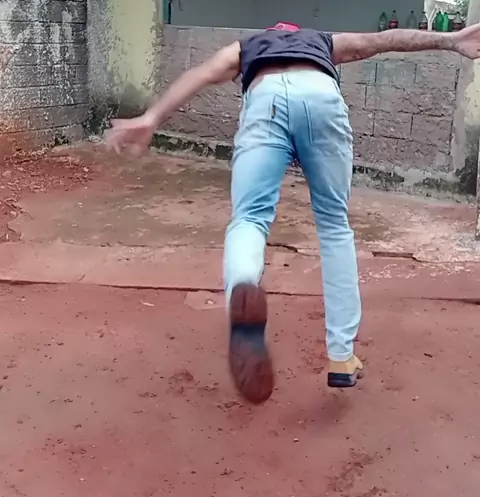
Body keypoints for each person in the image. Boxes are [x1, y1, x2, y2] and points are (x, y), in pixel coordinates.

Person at [104, 22, 480, 404]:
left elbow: (198, 74)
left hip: (264, 99)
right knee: (334, 225)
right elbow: (384, 41)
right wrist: (450, 40)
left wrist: (152, 117)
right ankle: (341, 355)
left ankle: (243, 284)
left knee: (249, 217)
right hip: (320, 96)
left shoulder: (246, 48)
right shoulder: (321, 43)